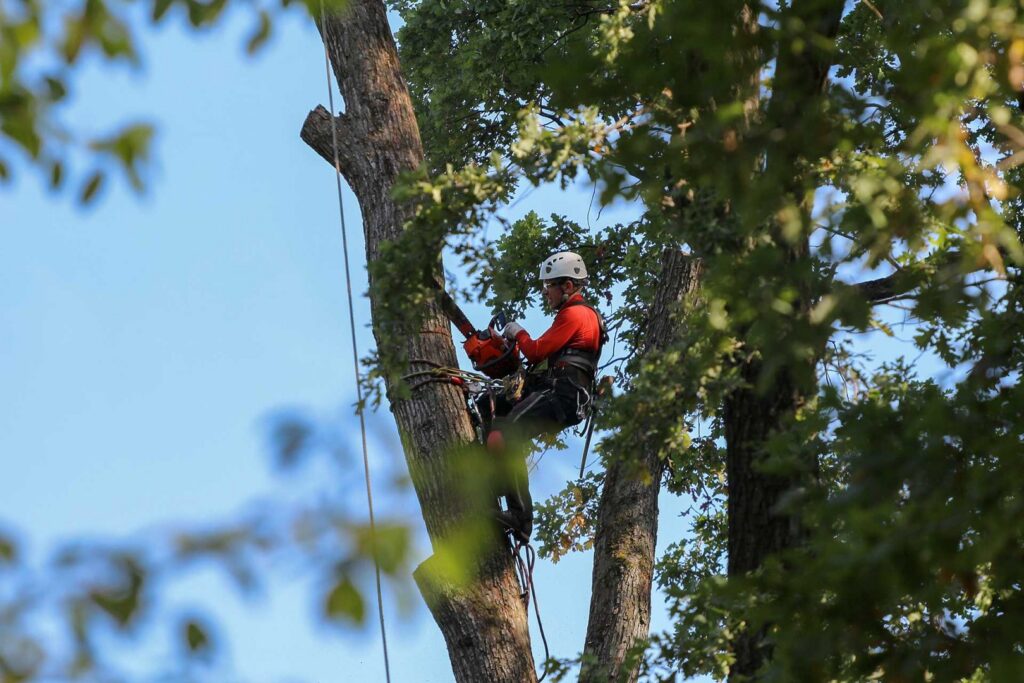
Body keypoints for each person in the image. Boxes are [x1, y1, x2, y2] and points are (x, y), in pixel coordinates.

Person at [482, 251, 607, 542]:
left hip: (564, 393)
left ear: (567, 286)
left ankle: (520, 518)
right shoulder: (574, 315)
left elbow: (537, 351)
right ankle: (495, 476)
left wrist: (518, 331)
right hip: (558, 389)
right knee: (492, 406)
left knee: (508, 432)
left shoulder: (576, 314)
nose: (545, 292)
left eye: (549, 285)